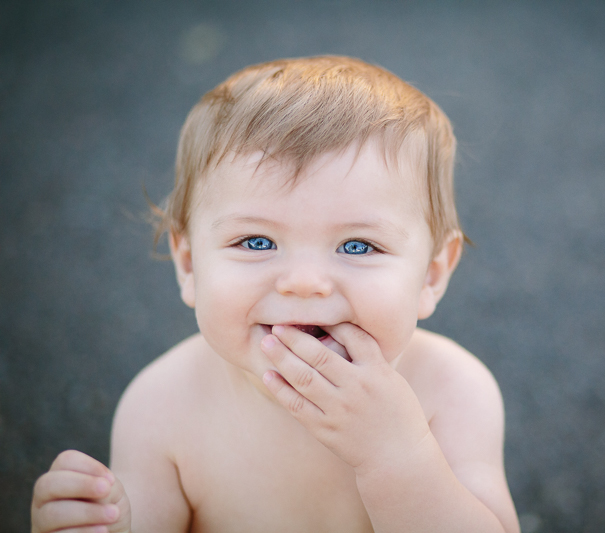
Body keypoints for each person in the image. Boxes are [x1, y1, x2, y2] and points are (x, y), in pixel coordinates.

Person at [31, 56, 520, 533]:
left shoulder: (453, 393)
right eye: (257, 242)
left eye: (357, 245)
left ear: (431, 275)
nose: (303, 282)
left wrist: (398, 455)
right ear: (189, 265)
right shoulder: (161, 405)